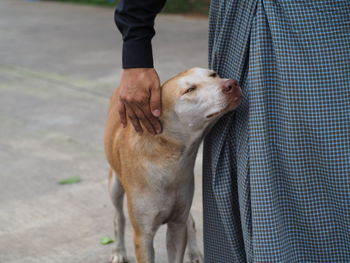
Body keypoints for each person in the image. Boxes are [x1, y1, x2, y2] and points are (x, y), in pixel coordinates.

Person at [114, 0, 350, 262]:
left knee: (325, 165)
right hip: (240, 17)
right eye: (191, 90)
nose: (227, 83)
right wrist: (135, 53)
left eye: (214, 76)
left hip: (325, 23)